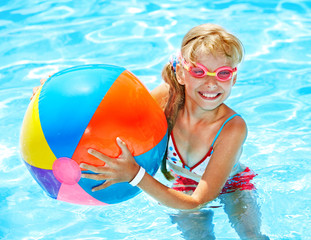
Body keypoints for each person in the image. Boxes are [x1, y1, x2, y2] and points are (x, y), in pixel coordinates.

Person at [32, 23, 268, 239]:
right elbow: (113, 114)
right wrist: (52, 102)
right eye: (199, 71)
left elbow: (197, 201)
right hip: (179, 186)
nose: (211, 83)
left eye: (223, 73)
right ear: (181, 74)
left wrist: (135, 175)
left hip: (232, 186)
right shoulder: (167, 98)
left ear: (234, 78)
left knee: (252, 236)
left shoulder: (232, 128)